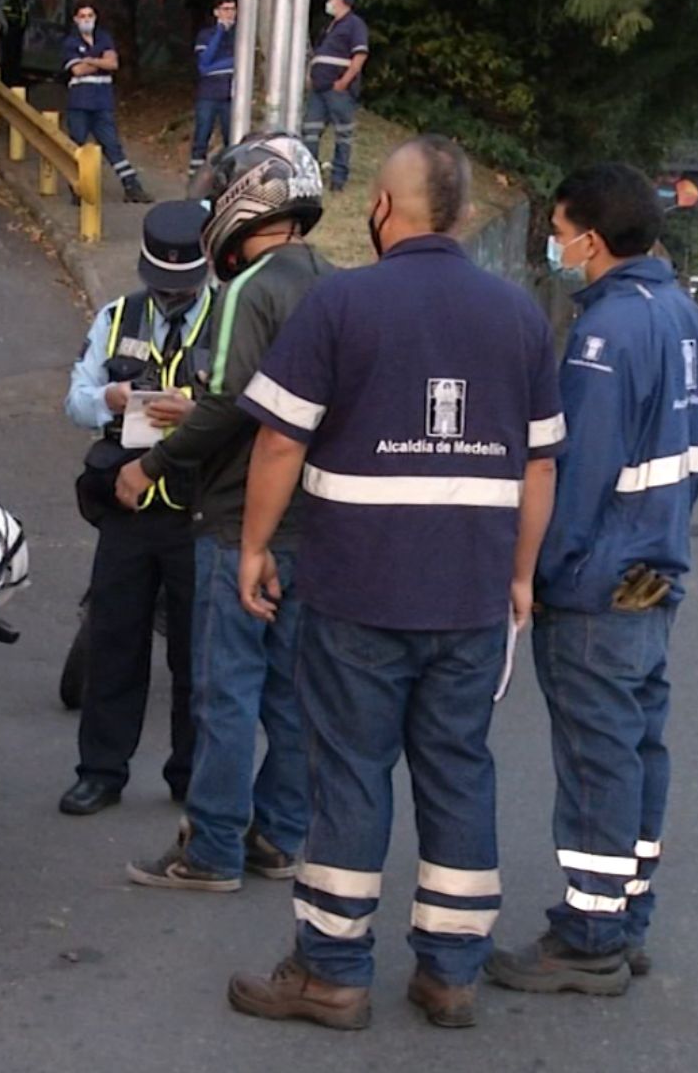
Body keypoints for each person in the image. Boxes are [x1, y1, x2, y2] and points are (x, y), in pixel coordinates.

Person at [224, 136, 564, 1031]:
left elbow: (279, 440)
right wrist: (520, 575)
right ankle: (451, 971)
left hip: (356, 593)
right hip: (471, 598)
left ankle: (331, 970)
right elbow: (539, 468)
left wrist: (254, 546)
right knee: (458, 771)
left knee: (348, 773)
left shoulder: (343, 301)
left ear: (382, 206)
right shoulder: (519, 315)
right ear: (456, 216)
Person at [488, 163, 698, 997]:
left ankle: (589, 934)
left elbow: (575, 474)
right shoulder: (685, 318)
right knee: (637, 745)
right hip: (653, 569)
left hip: (597, 579)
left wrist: (538, 572)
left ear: (589, 236)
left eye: (558, 227)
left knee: (595, 756)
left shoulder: (604, 336)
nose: (554, 243)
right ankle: (626, 915)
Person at [119, 134, 331, 893]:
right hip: (316, 523)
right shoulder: (334, 284)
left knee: (225, 687)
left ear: (250, 203)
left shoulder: (252, 288)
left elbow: (232, 408)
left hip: (243, 517)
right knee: (289, 689)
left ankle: (210, 847)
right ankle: (278, 833)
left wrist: (153, 462)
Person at [59, 200, 214, 815]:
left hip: (199, 510)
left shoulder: (230, 321)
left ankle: (190, 774)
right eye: (162, 285)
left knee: (194, 653)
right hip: (126, 503)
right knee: (115, 641)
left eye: (184, 286)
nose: (171, 297)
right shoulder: (116, 315)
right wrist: (111, 398)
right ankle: (100, 770)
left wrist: (195, 413)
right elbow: (74, 400)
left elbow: (249, 409)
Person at [62, 1, 154, 205]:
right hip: (79, 103)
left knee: (113, 146)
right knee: (77, 146)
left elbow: (113, 63)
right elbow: (77, 70)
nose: (87, 20)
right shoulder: (70, 42)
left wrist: (89, 60)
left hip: (102, 102)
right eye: (83, 16)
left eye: (90, 15)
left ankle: (132, 187)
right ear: (76, 19)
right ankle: (77, 189)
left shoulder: (104, 37)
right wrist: (100, 60)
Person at [302, 0, 370, 193]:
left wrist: (344, 82)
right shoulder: (330, 26)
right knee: (310, 132)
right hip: (319, 89)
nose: (328, 1)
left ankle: (338, 180)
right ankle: (310, 178)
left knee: (343, 134)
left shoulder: (355, 24)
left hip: (337, 90)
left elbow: (360, 55)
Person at [191, 0, 238, 178]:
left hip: (230, 95)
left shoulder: (240, 35)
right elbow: (204, 64)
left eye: (233, 9)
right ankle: (194, 176)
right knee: (202, 136)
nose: (230, 14)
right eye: (225, 9)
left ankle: (228, 177)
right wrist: (220, 32)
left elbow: (244, 61)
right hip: (208, 94)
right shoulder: (206, 35)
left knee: (231, 138)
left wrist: (215, 66)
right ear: (216, 12)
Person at [0, 0, 32, 88]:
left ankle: (14, 80)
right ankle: (6, 81)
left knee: (16, 56)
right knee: (8, 56)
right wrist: (4, 25)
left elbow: (25, 9)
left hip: (18, 28)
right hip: (8, 28)